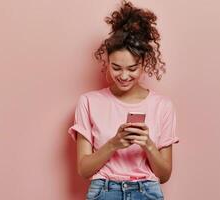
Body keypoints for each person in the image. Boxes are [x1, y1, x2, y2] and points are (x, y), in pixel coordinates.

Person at [68, 1, 179, 199]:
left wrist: (148, 145)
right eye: (116, 68)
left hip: (147, 192)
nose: (124, 76)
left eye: (132, 68)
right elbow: (84, 170)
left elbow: (164, 175)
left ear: (144, 63)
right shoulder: (88, 102)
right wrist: (114, 144)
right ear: (107, 63)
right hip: (103, 190)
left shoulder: (162, 106)